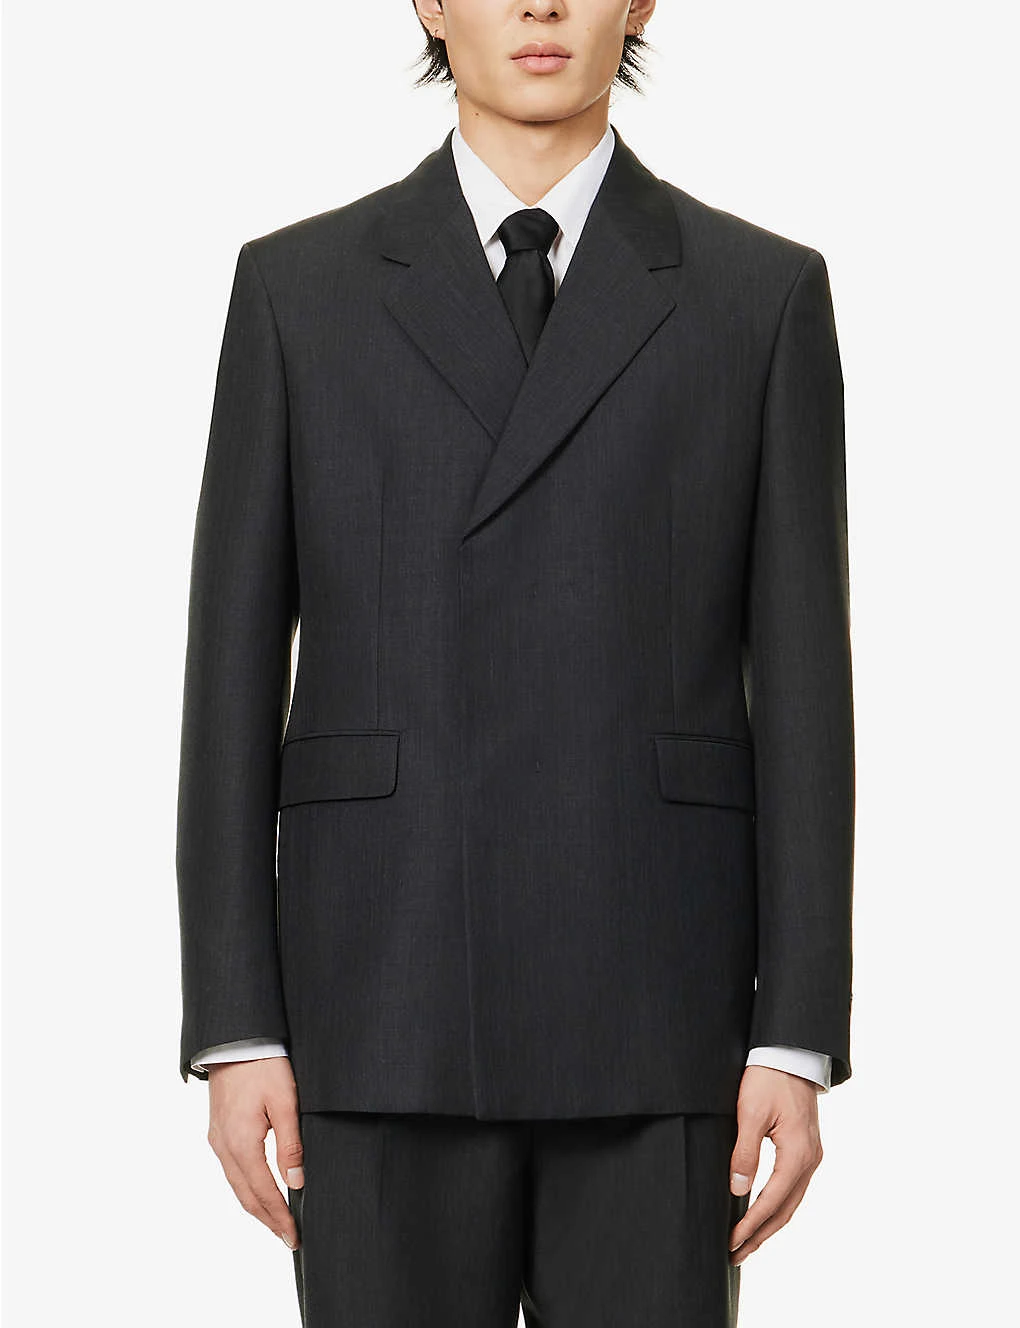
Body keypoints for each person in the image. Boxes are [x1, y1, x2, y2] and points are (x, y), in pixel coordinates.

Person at [175, 2, 855, 1323]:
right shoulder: (298, 289)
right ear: (429, 1)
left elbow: (806, 692)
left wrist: (795, 1032)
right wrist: (237, 1023)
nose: (539, 5)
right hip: (379, 995)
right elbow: (231, 678)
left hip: (664, 1007)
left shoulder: (758, 294)